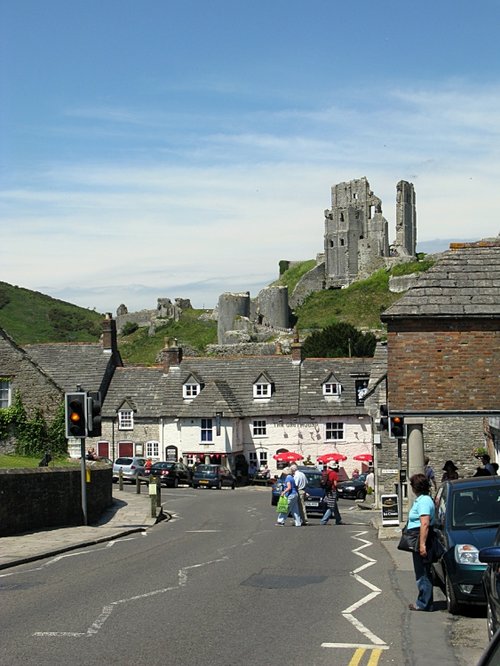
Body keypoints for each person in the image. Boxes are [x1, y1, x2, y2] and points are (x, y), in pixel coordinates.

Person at [407, 473, 435, 612]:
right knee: (422, 571)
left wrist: (422, 545)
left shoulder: (424, 501)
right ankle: (425, 601)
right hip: (418, 538)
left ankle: (424, 603)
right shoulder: (422, 499)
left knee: (423, 572)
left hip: (420, 538)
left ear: (415, 487)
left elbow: (425, 523)